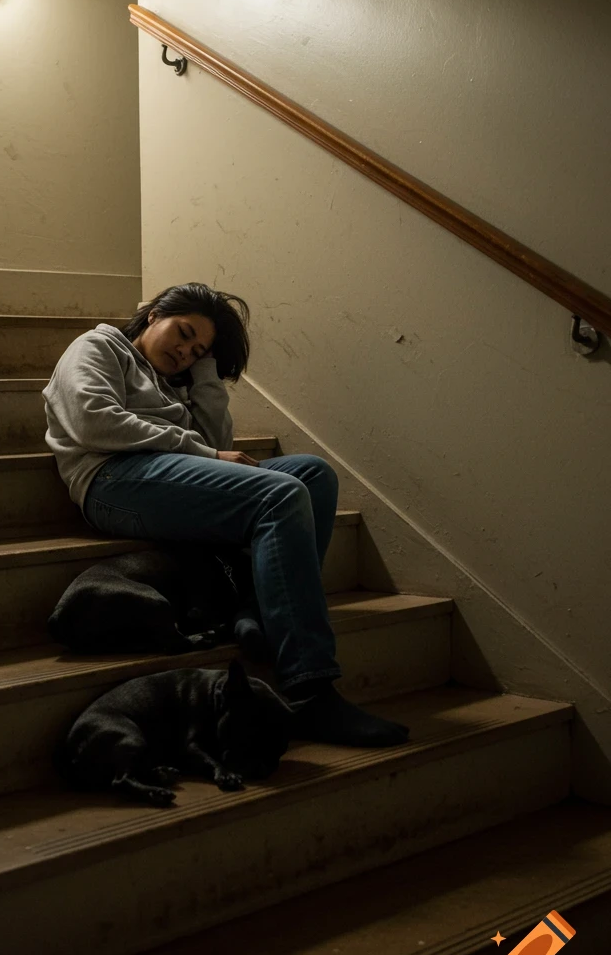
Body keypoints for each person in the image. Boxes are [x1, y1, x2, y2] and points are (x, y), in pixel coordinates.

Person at [43, 282, 409, 748]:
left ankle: (254, 612)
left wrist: (207, 372)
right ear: (154, 314)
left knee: (313, 475)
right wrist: (204, 451)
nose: (184, 351)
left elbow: (219, 437)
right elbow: (93, 419)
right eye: (183, 332)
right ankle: (310, 688)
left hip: (169, 471)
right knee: (280, 496)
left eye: (197, 348)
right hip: (111, 480)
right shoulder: (97, 346)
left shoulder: (181, 381)